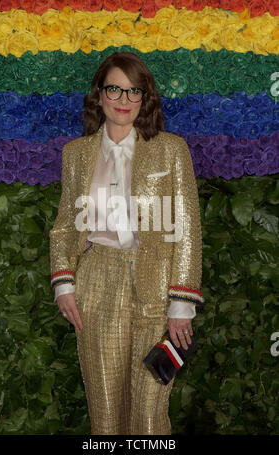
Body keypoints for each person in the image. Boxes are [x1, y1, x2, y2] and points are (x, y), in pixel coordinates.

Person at [49, 51, 203, 435]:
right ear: (99, 95)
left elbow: (184, 228)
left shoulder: (171, 149)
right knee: (104, 413)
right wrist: (64, 284)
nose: (123, 100)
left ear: (144, 99)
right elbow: (66, 225)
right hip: (96, 282)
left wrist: (181, 303)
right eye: (114, 89)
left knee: (150, 414)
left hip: (156, 284)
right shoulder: (76, 154)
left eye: (134, 92)